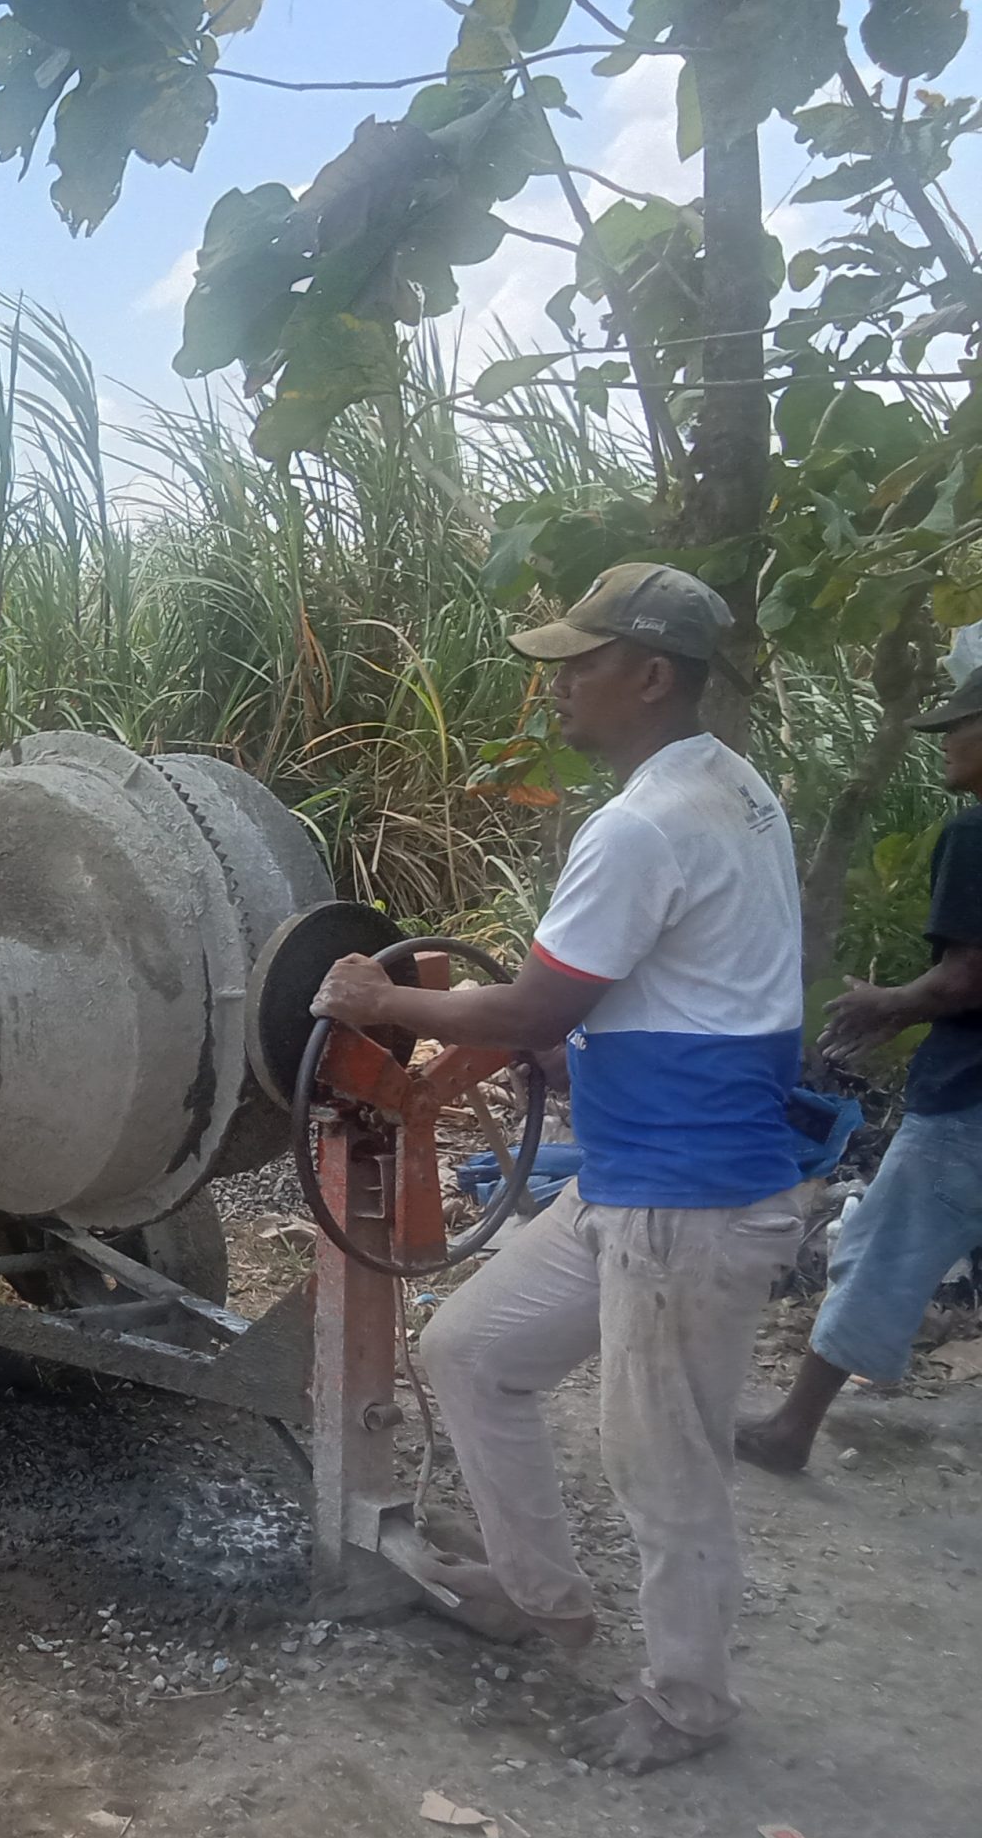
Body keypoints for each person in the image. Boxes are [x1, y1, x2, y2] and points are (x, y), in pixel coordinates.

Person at [311, 563, 810, 1775]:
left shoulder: (642, 824)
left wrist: (384, 999)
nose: (559, 687)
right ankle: (540, 1598)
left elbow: (536, 1004)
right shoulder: (729, 793)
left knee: (665, 1467)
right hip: (639, 1176)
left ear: (651, 676)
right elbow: (618, 1004)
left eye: (580, 665)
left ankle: (684, 1704)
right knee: (474, 1351)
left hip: (684, 1203)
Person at [738, 667, 982, 1472]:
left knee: (879, 1248)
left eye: (960, 725)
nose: (946, 741)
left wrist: (890, 1003)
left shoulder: (974, 835)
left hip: (968, 1098)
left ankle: (791, 1430)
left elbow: (966, 978)